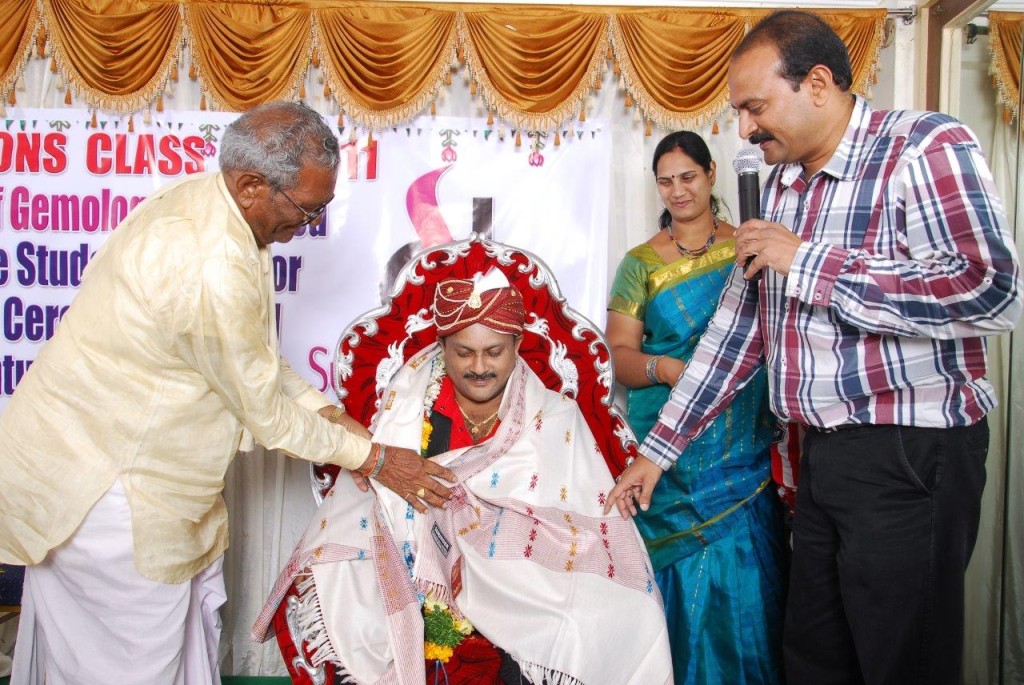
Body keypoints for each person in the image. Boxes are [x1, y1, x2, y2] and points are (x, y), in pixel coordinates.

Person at [606, 10, 1023, 685]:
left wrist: (809, 262)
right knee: (813, 657)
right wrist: (657, 452)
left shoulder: (922, 147)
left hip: (910, 450)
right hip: (821, 453)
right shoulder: (781, 186)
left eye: (755, 107)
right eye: (739, 113)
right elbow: (737, 331)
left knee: (900, 661)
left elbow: (990, 289)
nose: (745, 129)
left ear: (819, 83)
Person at [0, 101, 454, 684]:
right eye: (308, 209)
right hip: (108, 487)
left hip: (123, 470)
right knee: (126, 666)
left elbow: (251, 358)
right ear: (251, 185)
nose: (310, 224)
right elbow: (266, 415)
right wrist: (376, 459)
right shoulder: (210, 260)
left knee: (168, 649)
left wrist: (329, 413)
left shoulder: (215, 207)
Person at [254, 270, 674, 685]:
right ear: (441, 347)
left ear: (517, 346)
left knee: (628, 615)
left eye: (493, 352)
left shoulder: (555, 415)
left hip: (524, 581)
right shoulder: (409, 408)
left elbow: (584, 521)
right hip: (417, 569)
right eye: (464, 353)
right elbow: (370, 501)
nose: (479, 367)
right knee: (335, 581)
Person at [605, 130, 785, 684]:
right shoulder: (640, 264)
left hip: (741, 446)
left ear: (711, 174)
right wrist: (669, 370)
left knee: (745, 579)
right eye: (666, 182)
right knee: (680, 584)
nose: (678, 191)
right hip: (670, 456)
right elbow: (620, 357)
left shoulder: (751, 245)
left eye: (688, 177)